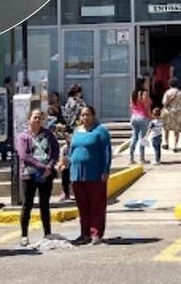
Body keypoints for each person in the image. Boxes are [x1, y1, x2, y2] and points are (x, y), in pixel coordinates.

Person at [65, 105, 112, 245]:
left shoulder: (100, 131)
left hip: (95, 173)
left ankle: (96, 233)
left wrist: (106, 170)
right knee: (83, 206)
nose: (85, 117)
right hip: (77, 174)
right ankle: (84, 233)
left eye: (88, 114)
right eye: (83, 115)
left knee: (96, 204)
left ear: (93, 115)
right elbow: (71, 150)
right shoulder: (76, 132)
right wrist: (67, 163)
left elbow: (107, 152)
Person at [16, 109, 59, 247]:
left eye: (40, 118)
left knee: (44, 204)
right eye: (34, 117)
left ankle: (47, 232)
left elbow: (55, 151)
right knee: (27, 205)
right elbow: (24, 156)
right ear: (29, 119)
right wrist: (42, 166)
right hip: (29, 175)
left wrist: (50, 167)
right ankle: (24, 235)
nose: (37, 120)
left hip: (45, 175)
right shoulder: (23, 137)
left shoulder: (48, 135)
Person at [129, 79, 153, 165]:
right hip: (143, 117)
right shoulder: (144, 94)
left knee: (134, 137)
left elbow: (131, 106)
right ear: (142, 84)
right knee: (142, 138)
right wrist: (151, 117)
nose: (147, 84)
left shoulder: (133, 94)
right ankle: (142, 158)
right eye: (146, 83)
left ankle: (131, 158)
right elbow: (147, 107)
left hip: (134, 117)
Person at [161, 78, 181, 152]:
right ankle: (175, 146)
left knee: (166, 128)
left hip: (168, 112)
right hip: (178, 113)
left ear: (169, 84)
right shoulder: (180, 93)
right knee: (176, 130)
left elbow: (164, 103)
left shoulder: (167, 93)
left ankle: (166, 143)